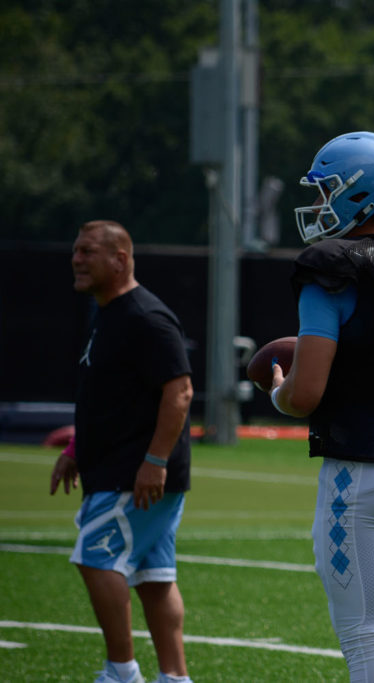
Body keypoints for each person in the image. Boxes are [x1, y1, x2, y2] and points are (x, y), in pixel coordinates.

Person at [267, 131, 374, 683]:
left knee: (365, 637)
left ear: (360, 194)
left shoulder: (332, 265)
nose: (319, 204)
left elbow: (306, 393)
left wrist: (277, 389)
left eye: (328, 191)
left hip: (362, 474)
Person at [50, 220, 194, 683]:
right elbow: (107, 397)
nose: (77, 259)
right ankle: (174, 677)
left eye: (88, 251)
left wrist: (153, 462)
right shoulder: (108, 314)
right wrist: (75, 446)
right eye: (76, 251)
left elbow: (181, 392)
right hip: (123, 469)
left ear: (120, 259)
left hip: (134, 474)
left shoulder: (145, 317)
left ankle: (121, 672)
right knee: (154, 578)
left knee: (96, 558)